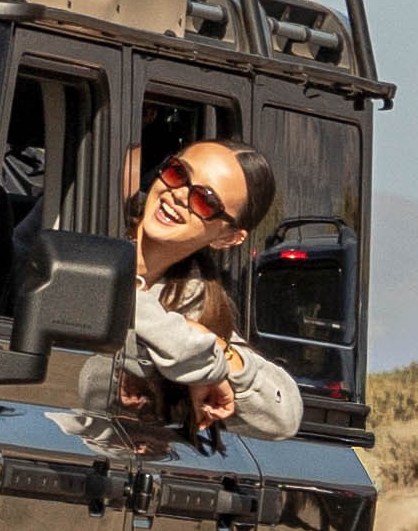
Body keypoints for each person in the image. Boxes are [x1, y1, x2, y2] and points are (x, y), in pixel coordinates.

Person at [118, 136, 301, 438]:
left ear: (227, 238)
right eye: (178, 173)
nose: (178, 195)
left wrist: (220, 352)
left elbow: (285, 417)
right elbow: (105, 291)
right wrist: (199, 358)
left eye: (204, 201)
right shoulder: (87, 217)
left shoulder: (197, 299)